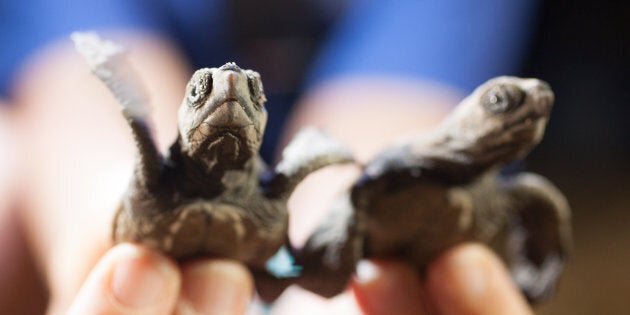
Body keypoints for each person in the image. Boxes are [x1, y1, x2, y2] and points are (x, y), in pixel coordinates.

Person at [0, 0, 538, 313]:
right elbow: (83, 88)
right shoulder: (151, 175)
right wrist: (86, 242)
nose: (226, 95)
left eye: (245, 92)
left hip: (283, 251)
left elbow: (387, 119)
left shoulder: (273, 215)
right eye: (204, 92)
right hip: (93, 190)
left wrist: (332, 290)